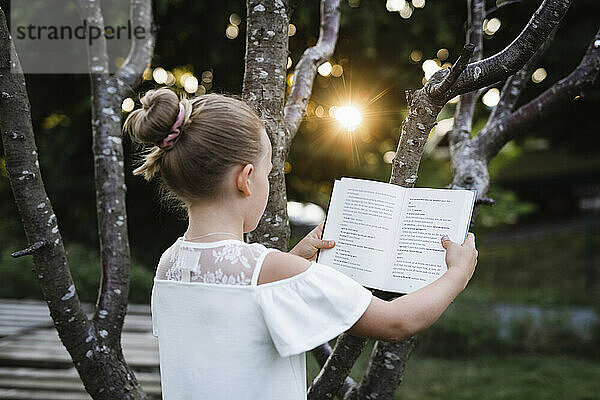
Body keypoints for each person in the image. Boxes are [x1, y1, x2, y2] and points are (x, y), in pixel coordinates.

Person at [123, 87, 478, 400]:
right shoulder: (271, 271)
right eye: (267, 171)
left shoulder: (170, 264)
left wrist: (295, 259)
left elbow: (238, 309)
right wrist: (456, 275)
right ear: (247, 180)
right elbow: (395, 322)